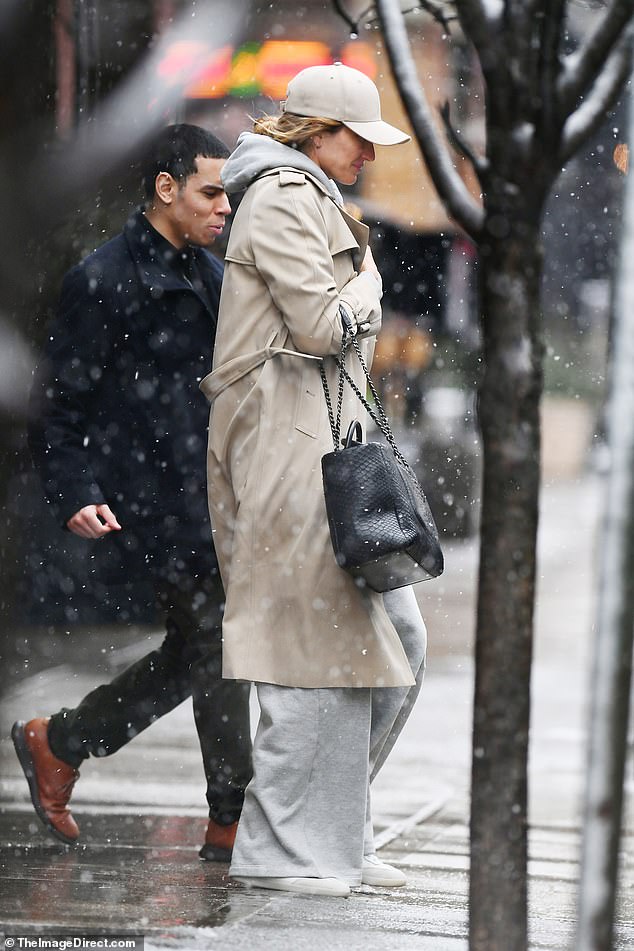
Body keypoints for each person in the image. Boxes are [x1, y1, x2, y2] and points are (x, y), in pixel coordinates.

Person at [201, 63, 428, 897]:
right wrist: (370, 282)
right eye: (355, 138)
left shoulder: (308, 194)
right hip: (287, 447)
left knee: (390, 639)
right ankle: (289, 846)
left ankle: (333, 828)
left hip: (316, 440)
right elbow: (324, 323)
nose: (367, 155)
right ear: (315, 131)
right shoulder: (286, 196)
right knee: (309, 651)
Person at [12, 123, 251, 862]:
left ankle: (61, 739)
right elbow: (63, 404)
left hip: (209, 497)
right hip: (149, 502)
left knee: (197, 650)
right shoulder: (102, 279)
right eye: (211, 192)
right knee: (214, 645)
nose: (224, 209)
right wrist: (74, 488)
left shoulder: (213, 277)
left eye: (227, 195)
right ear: (166, 188)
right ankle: (230, 819)